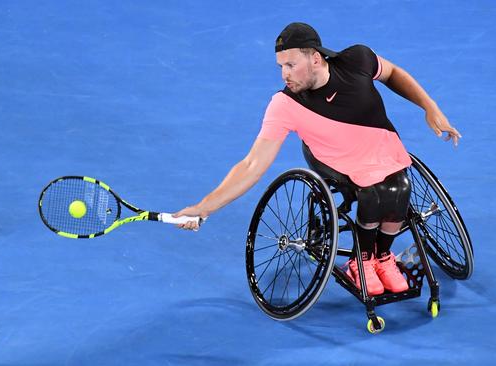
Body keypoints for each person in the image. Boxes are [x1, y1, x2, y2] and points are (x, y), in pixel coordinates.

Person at [173, 22, 461, 296]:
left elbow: (393, 73)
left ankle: (382, 257)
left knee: (400, 188)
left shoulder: (357, 60)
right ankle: (360, 262)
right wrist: (203, 207)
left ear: (315, 58)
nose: (284, 74)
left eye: (291, 65)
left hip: (377, 148)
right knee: (371, 196)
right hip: (329, 156)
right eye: (281, 67)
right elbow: (252, 164)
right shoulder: (284, 105)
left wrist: (429, 107)